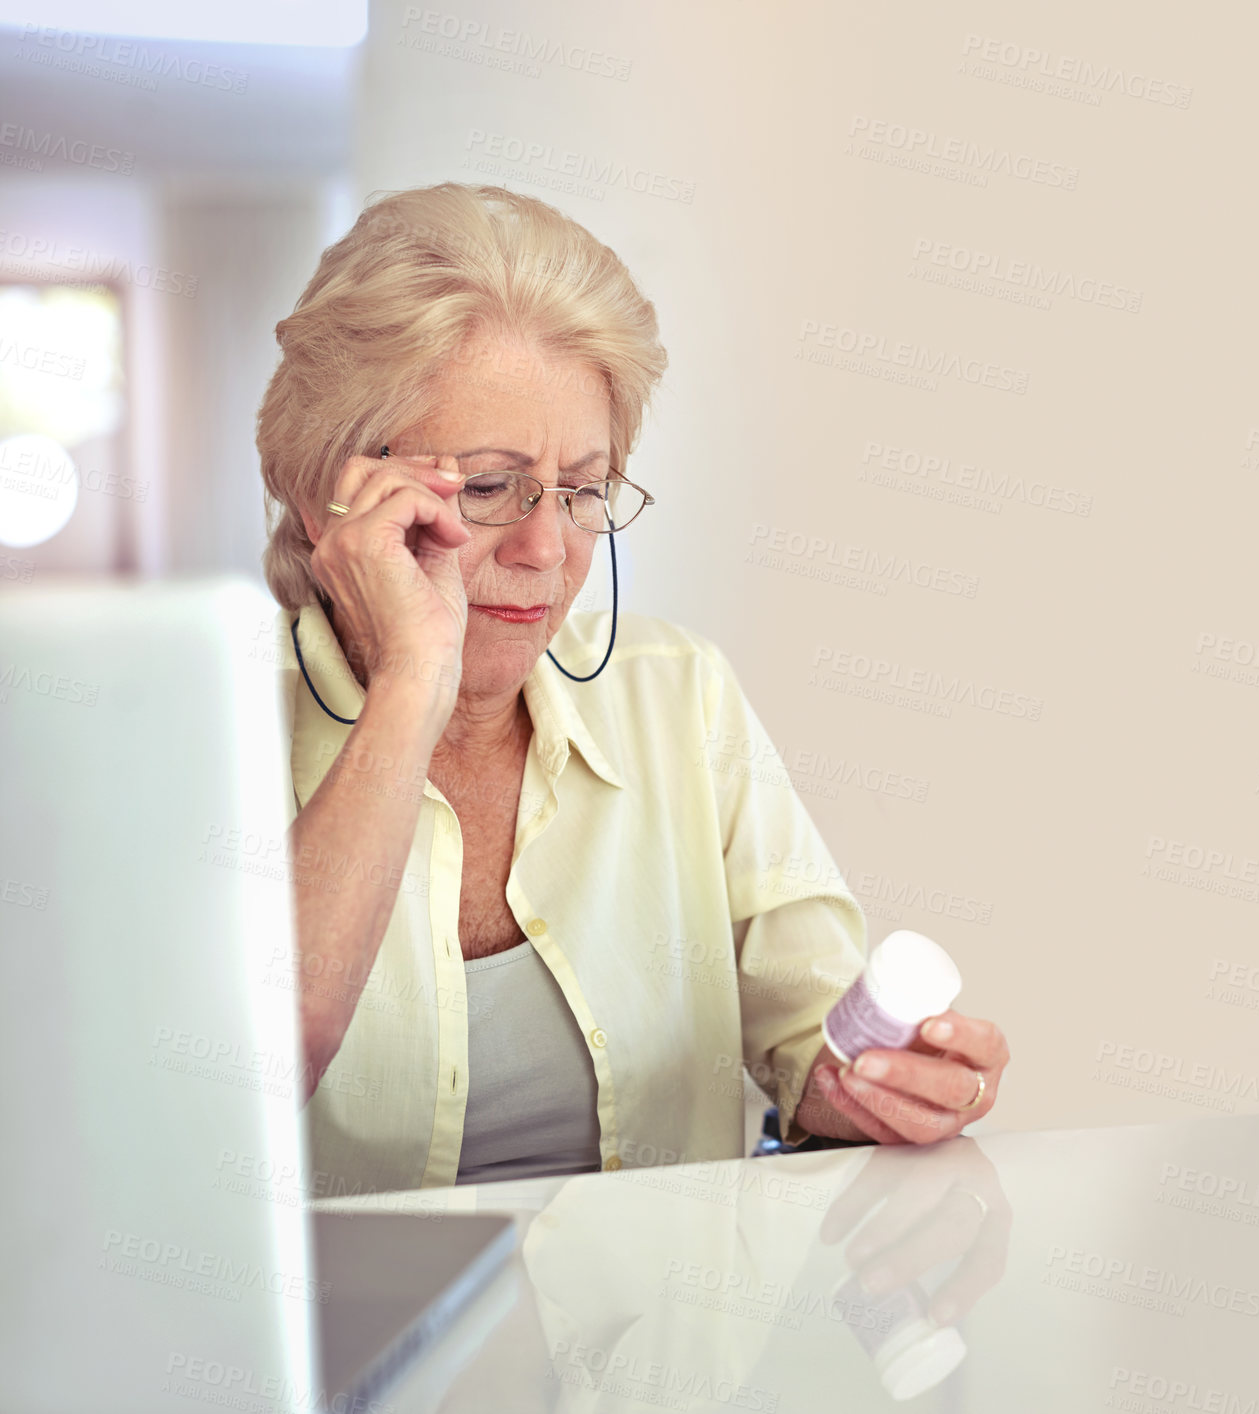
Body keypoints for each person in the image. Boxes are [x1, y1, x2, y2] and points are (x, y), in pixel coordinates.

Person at [256, 182, 1010, 1194]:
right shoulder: (209, 727)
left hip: (660, 1341)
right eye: (487, 486)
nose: (546, 548)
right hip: (339, 1350)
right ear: (326, 494)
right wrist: (410, 685)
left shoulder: (678, 694)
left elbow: (811, 1051)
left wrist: (878, 1084)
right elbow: (258, 1062)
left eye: (582, 491)